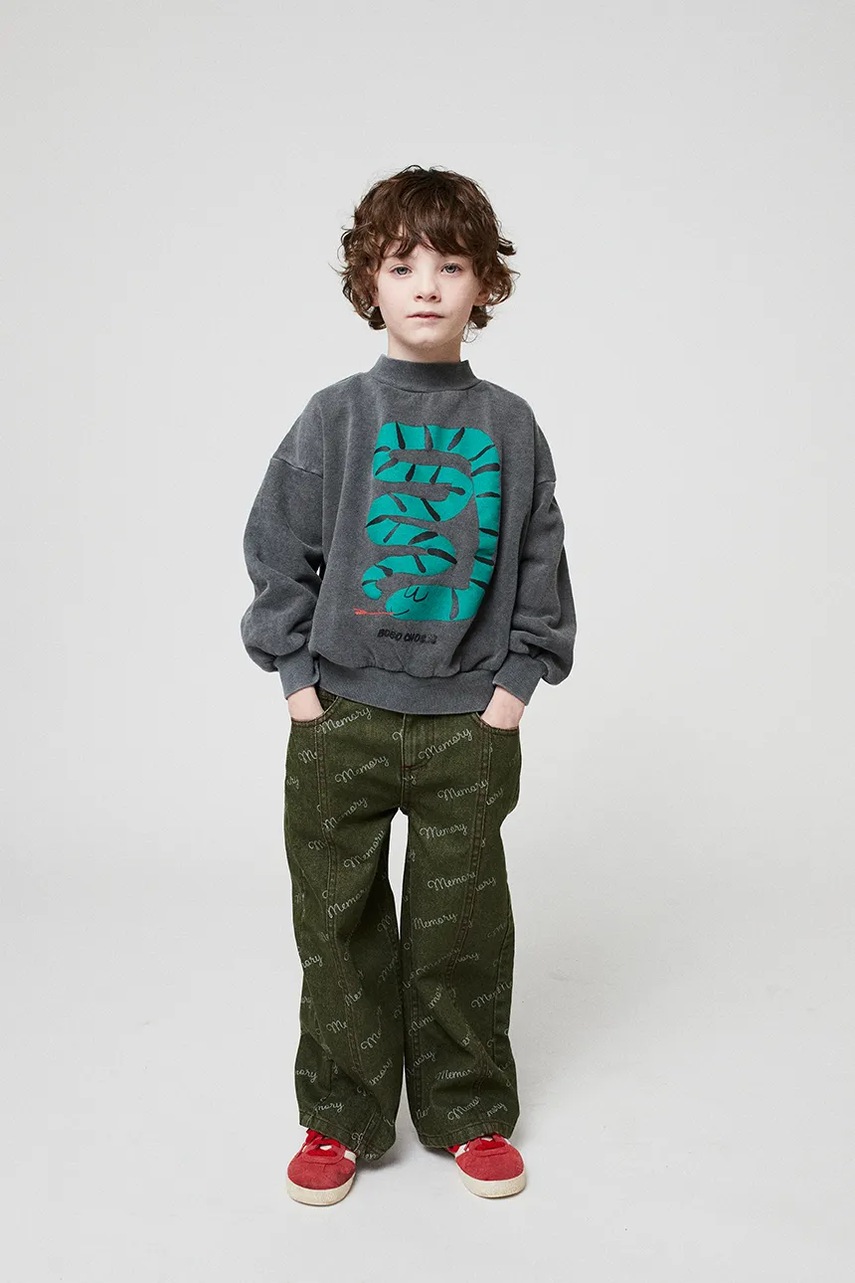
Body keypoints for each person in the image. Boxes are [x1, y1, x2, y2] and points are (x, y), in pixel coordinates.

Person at [240, 164, 577, 1205]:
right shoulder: (334, 416)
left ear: (485, 285)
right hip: (337, 716)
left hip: (466, 725)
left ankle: (469, 1109)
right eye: (400, 264)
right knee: (336, 925)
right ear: (368, 283)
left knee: (459, 931)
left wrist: (513, 686)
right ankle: (341, 1117)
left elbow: (540, 560)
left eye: (451, 264)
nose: (426, 284)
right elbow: (277, 545)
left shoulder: (509, 424)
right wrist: (297, 676)